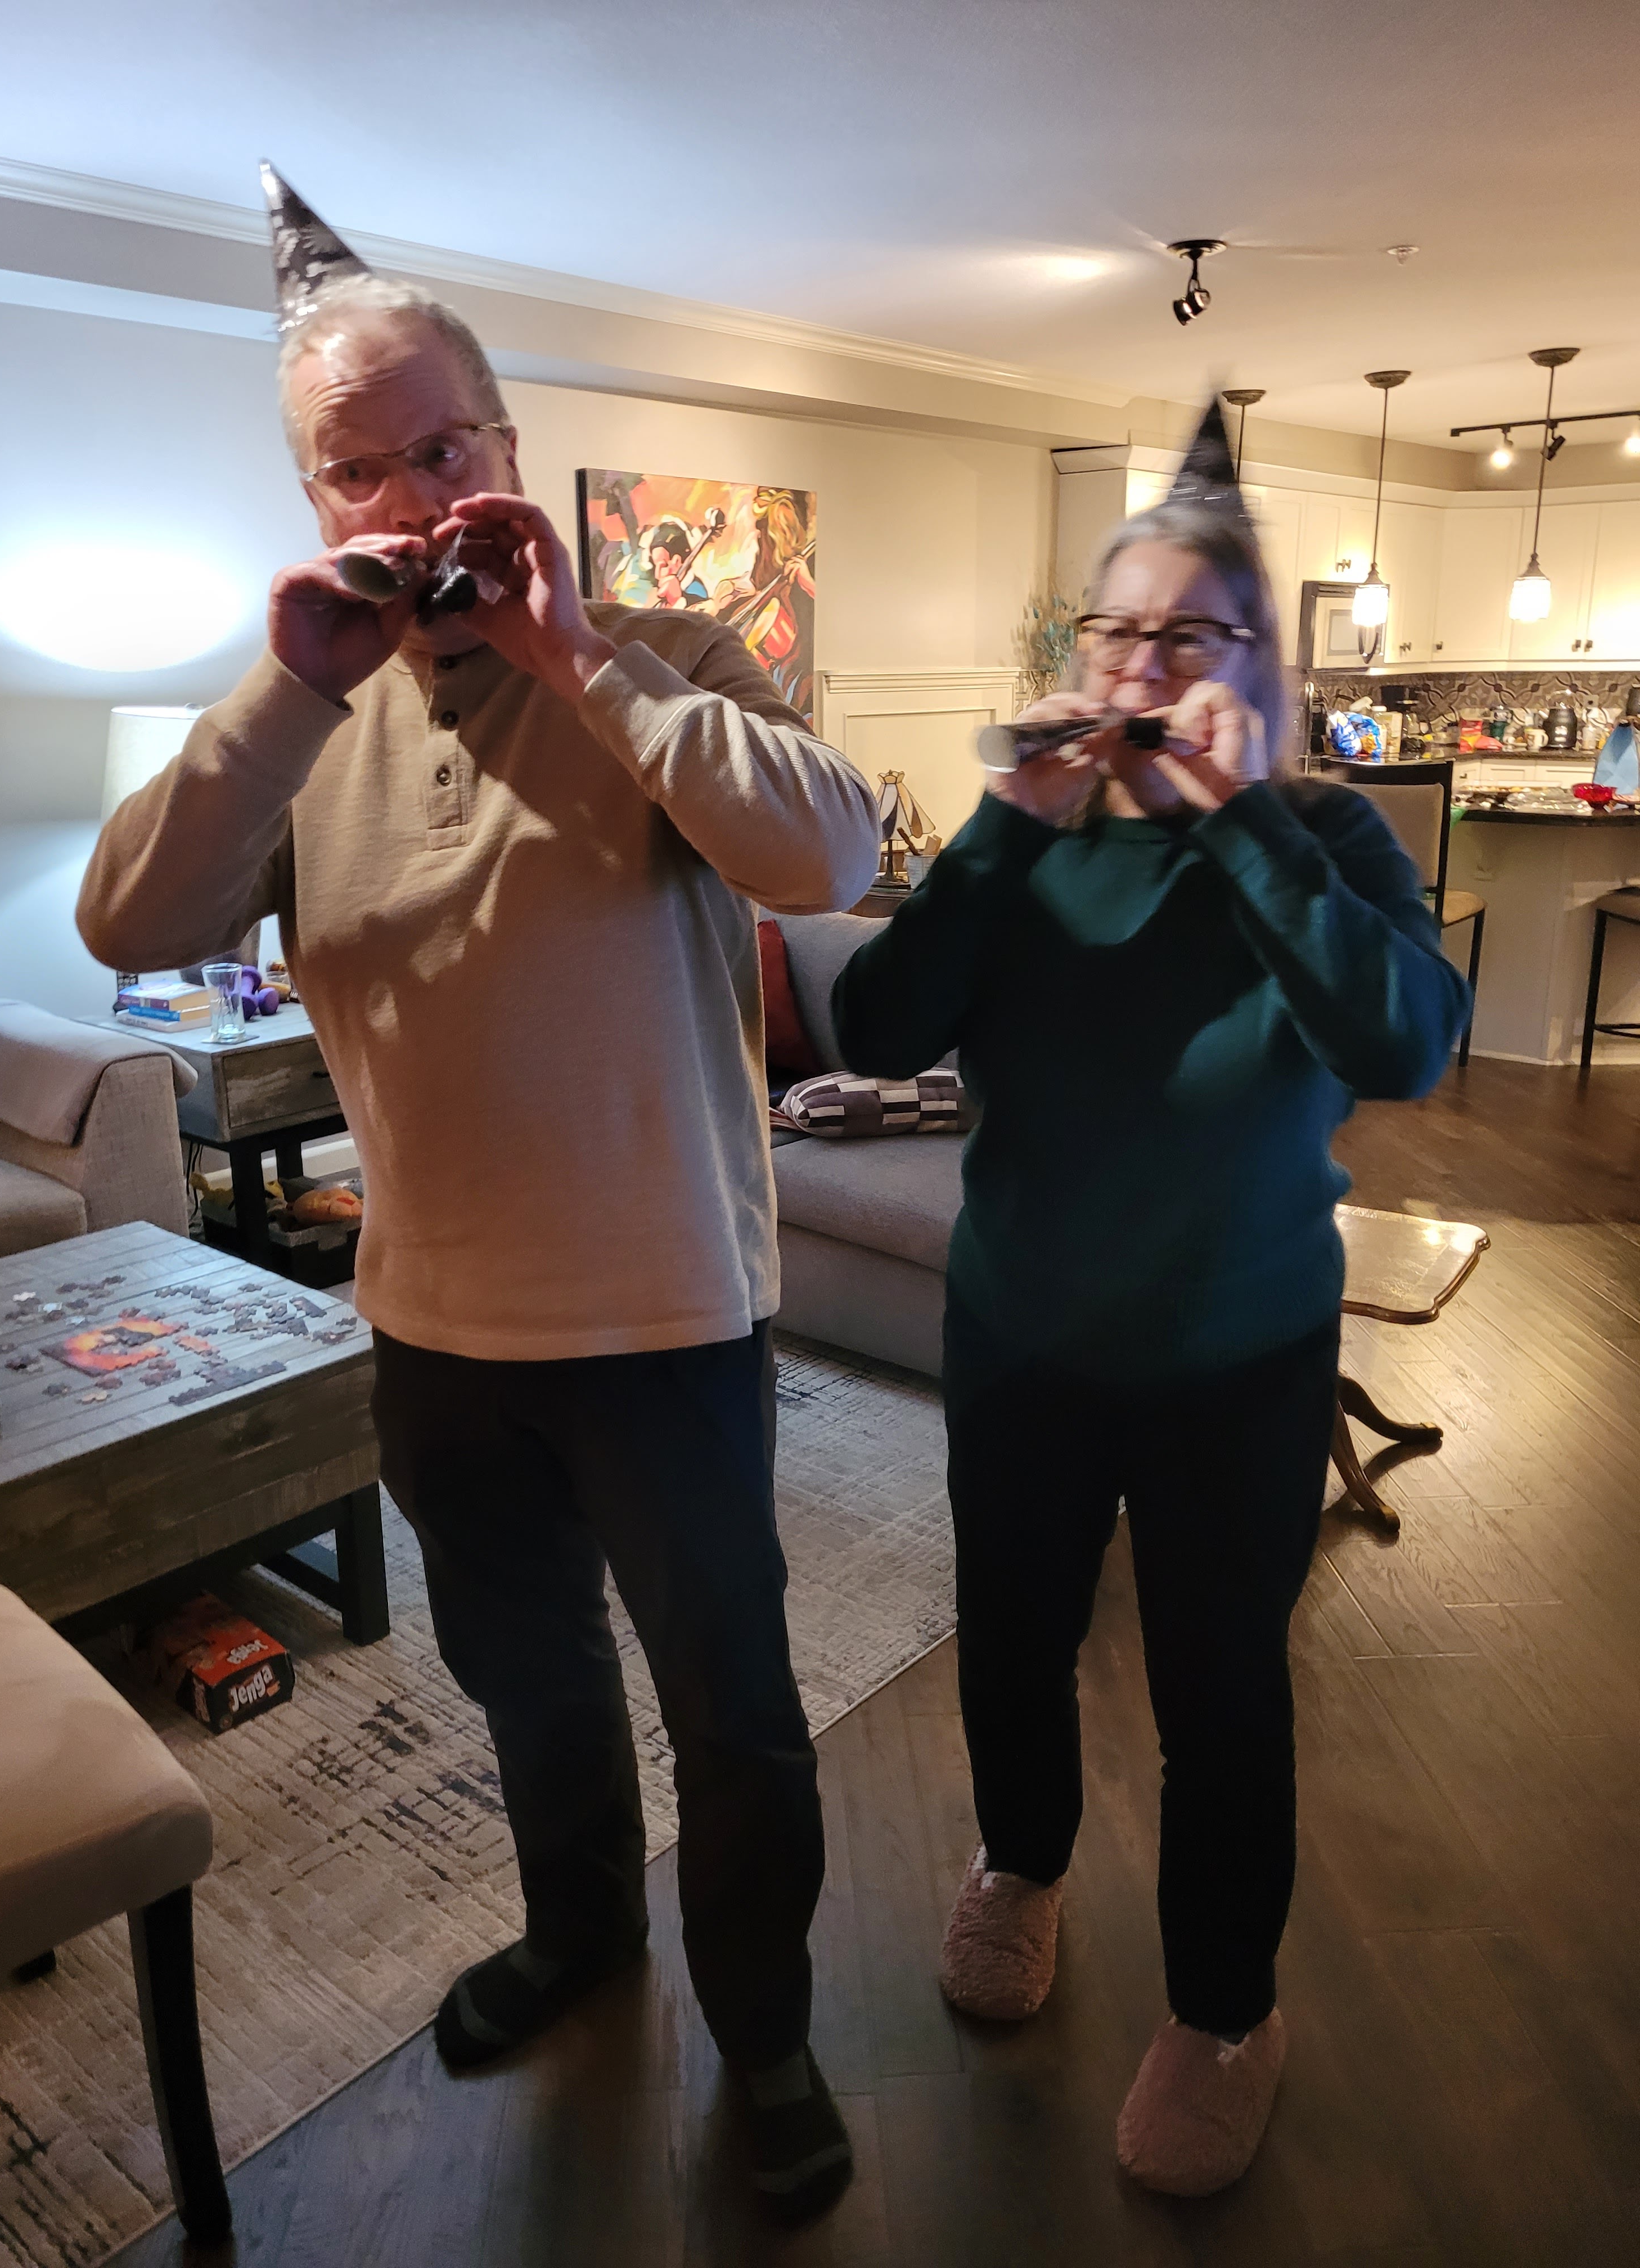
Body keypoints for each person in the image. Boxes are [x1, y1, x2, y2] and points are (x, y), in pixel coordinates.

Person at [78, 168, 878, 2224]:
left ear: (507, 449)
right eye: (361, 467)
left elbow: (830, 857)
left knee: (737, 1717)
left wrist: (582, 650)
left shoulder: (667, 652)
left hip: (668, 1320)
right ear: (315, 496)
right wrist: (286, 686)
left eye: (445, 448)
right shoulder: (306, 708)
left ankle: (767, 2034)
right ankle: (581, 1934)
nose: (414, 497)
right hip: (433, 1328)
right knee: (527, 1679)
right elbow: (129, 924)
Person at [831, 399, 1470, 2199]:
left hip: (1238, 1356)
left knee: (1221, 1693)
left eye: (1188, 636)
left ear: (1252, 661)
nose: (1140, 668)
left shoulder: (1325, 834)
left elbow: (1405, 1045)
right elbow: (872, 1027)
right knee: (1012, 1638)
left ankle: (1225, 2010)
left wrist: (1244, 818)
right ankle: (1021, 1861)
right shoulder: (1029, 835)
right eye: (1116, 633)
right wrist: (993, 835)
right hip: (1020, 1338)